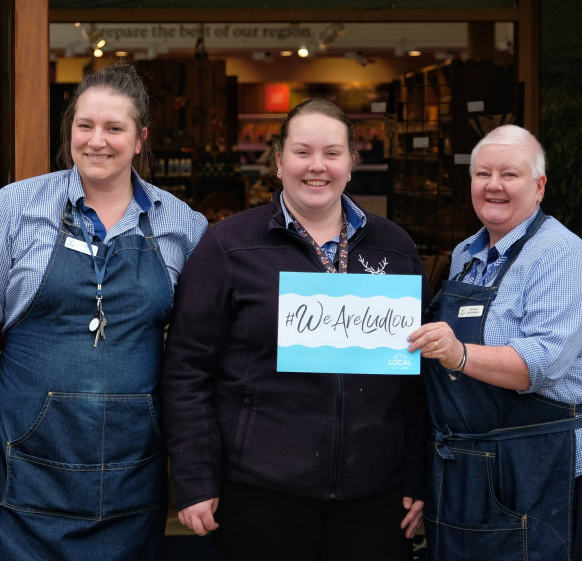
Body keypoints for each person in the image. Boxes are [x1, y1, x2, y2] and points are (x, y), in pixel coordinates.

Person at [0, 64, 207, 561]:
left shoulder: (182, 226)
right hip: (25, 471)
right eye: (85, 126)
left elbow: (223, 333)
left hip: (134, 474)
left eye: (114, 128)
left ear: (140, 138)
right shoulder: (14, 209)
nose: (97, 141)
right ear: (69, 130)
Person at [161, 97, 430, 561]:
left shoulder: (395, 248)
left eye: (332, 153)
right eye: (303, 152)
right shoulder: (228, 247)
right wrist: (193, 478)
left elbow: (417, 377)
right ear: (279, 160)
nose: (317, 167)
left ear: (351, 163)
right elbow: (186, 370)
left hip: (376, 496)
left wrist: (418, 477)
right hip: (260, 496)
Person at [407, 124, 582, 561]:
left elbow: (541, 362)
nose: (494, 185)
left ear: (539, 186)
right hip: (469, 462)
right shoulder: (467, 253)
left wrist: (459, 354)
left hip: (542, 463)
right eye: (483, 174)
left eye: (510, 174)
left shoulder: (560, 254)